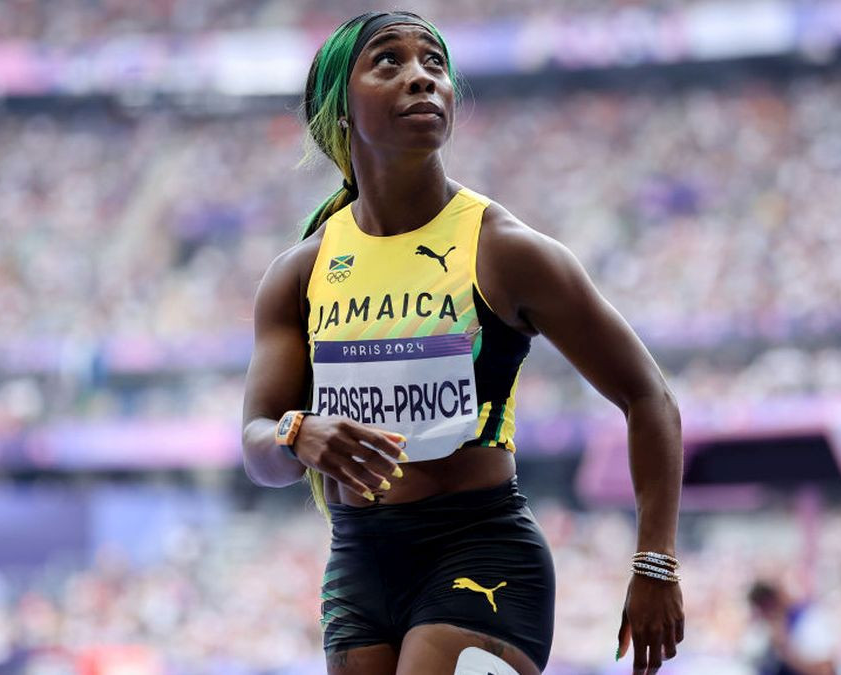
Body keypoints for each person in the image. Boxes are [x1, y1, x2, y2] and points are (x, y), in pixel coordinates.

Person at [241, 11, 684, 675]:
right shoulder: (298, 274)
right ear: (340, 109)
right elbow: (257, 446)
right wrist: (295, 434)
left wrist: (655, 561)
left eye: (434, 64)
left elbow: (648, 395)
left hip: (480, 550)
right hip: (358, 562)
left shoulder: (504, 250)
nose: (421, 77)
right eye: (388, 61)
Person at [746, 581, 838, 675]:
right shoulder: (764, 631)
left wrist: (785, 648)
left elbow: (824, 670)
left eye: (765, 607)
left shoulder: (807, 618)